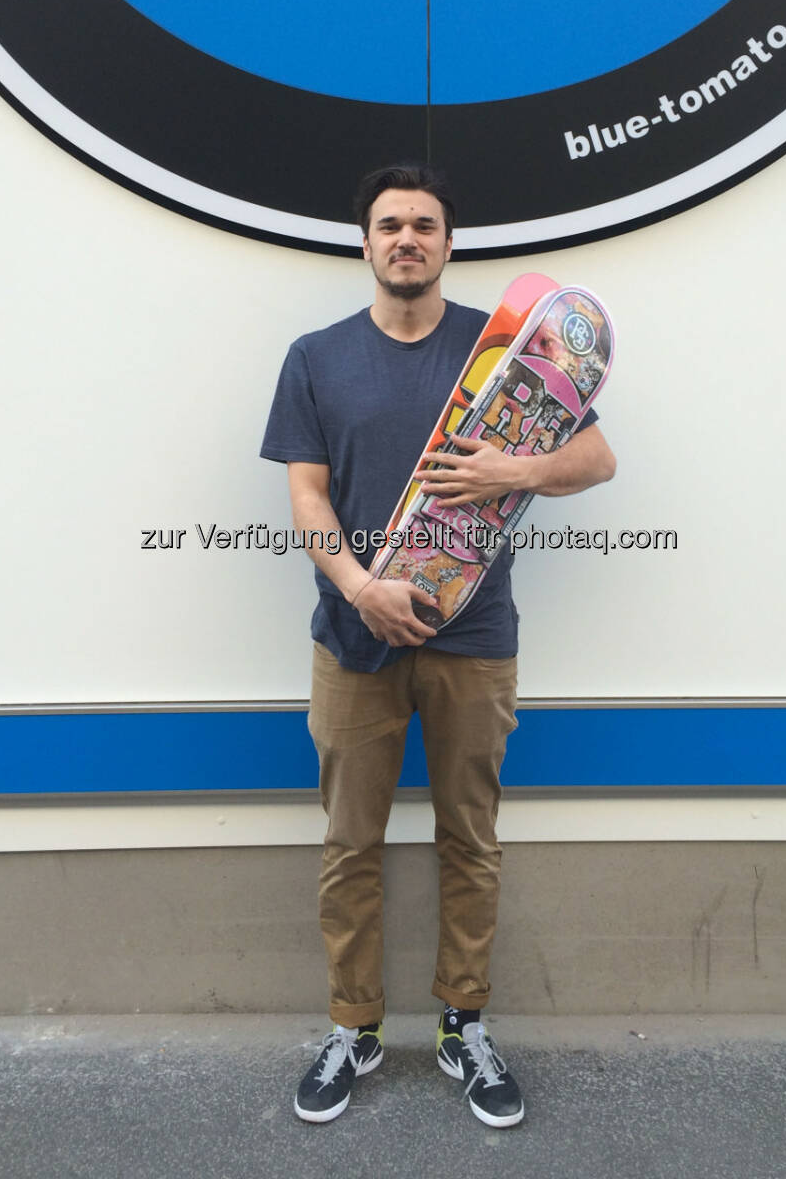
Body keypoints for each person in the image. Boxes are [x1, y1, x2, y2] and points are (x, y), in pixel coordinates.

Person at [260, 163, 616, 1127]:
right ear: (365, 243)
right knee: (350, 845)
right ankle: (355, 1028)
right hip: (351, 635)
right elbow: (305, 497)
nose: (406, 239)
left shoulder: (502, 353)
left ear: (449, 244)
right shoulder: (316, 357)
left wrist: (521, 465)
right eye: (389, 225)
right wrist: (361, 588)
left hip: (476, 639)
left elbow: (597, 457)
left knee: (471, 841)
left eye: (424, 225)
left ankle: (463, 1024)